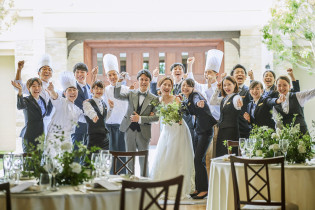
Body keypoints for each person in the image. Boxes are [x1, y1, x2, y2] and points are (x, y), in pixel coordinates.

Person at [150, 77, 194, 198]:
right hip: (166, 131)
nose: (167, 87)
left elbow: (179, 116)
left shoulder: (176, 99)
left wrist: (176, 119)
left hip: (178, 129)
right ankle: (163, 185)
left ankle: (177, 187)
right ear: (160, 85)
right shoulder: (158, 101)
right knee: (164, 157)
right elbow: (156, 119)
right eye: (165, 84)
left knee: (177, 157)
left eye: (170, 85)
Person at [114, 69, 159, 176]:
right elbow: (117, 95)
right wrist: (119, 80)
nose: (143, 82)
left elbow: (156, 118)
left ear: (149, 81)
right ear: (138, 80)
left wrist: (140, 118)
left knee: (143, 159)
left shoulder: (154, 98)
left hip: (144, 132)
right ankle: (130, 182)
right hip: (129, 130)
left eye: (146, 80)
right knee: (129, 158)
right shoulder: (131, 93)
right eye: (141, 79)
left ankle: (145, 182)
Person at [181, 78, 217, 199]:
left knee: (198, 159)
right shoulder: (187, 99)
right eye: (183, 85)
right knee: (196, 160)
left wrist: (198, 103)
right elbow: (186, 111)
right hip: (198, 130)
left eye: (188, 86)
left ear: (193, 88)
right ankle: (198, 187)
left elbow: (198, 101)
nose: (185, 87)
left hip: (206, 131)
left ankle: (204, 189)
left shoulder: (195, 95)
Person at [186, 49, 223, 156]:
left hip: (216, 124)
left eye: (210, 72)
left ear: (217, 74)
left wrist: (211, 86)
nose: (207, 75)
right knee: (204, 155)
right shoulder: (202, 86)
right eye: (205, 72)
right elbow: (190, 82)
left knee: (214, 153)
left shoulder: (221, 87)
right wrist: (189, 65)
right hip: (202, 125)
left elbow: (214, 102)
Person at [151, 63, 195, 143]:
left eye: (180, 69)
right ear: (171, 72)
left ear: (183, 72)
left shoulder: (188, 86)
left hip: (186, 123)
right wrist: (154, 77)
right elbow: (154, 93)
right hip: (169, 125)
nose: (177, 70)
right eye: (175, 69)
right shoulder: (167, 87)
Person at [45, 72, 83, 157]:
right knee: (52, 164)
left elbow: (85, 118)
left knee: (65, 164)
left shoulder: (77, 109)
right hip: (54, 138)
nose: (72, 92)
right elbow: (55, 96)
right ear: (65, 93)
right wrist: (51, 90)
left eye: (74, 90)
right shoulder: (61, 101)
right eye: (69, 90)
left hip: (67, 139)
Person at [14, 56, 54, 134]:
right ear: (38, 73)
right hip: (35, 123)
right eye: (44, 69)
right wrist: (19, 70)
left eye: (49, 70)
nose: (47, 71)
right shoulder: (33, 85)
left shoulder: (53, 88)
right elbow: (18, 86)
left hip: (50, 123)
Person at [210, 76, 243, 157]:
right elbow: (212, 102)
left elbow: (237, 105)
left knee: (229, 155)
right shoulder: (224, 99)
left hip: (231, 131)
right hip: (222, 130)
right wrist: (217, 89)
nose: (226, 87)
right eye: (224, 85)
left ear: (234, 85)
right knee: (221, 154)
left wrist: (239, 106)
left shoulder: (236, 97)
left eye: (229, 84)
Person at [11, 78, 46, 152]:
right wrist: (20, 92)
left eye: (39, 86)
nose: (37, 88)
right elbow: (20, 106)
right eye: (33, 86)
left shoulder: (42, 100)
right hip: (29, 136)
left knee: (39, 161)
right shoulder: (26, 100)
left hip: (40, 136)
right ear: (28, 88)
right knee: (29, 161)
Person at [71, 63, 97, 153]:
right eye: (77, 72)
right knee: (76, 153)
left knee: (87, 154)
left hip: (89, 126)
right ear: (74, 74)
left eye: (82, 72)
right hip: (78, 125)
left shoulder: (89, 87)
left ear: (87, 74)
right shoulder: (72, 89)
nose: (79, 74)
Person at [83, 80, 114, 151]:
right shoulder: (87, 103)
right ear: (92, 90)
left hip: (105, 136)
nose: (99, 90)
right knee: (91, 159)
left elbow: (105, 119)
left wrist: (111, 108)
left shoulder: (104, 104)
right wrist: (94, 116)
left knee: (105, 159)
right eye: (96, 88)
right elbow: (89, 111)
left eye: (101, 88)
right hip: (93, 136)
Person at [230, 64, 251, 138]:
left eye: (242, 72)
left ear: (245, 77)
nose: (240, 74)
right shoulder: (228, 91)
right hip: (230, 128)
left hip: (244, 128)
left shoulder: (249, 91)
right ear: (232, 77)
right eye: (237, 72)